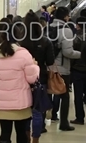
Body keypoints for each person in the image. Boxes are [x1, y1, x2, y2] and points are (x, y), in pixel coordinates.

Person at [0, 23, 39, 143]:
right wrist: (35, 66)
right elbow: (32, 79)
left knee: (5, 134)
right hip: (20, 102)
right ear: (18, 36)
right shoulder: (24, 54)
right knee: (21, 133)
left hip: (1, 102)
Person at [20, 12, 55, 142]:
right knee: (37, 111)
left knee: (25, 112)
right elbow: (50, 61)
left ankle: (26, 136)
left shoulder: (21, 42)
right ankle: (36, 139)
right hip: (41, 79)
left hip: (23, 79)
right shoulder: (45, 41)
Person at [50, 7, 81, 131]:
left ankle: (41, 124)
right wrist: (80, 54)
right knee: (64, 96)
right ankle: (63, 123)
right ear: (65, 17)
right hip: (61, 68)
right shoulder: (66, 31)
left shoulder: (46, 28)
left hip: (47, 67)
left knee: (46, 94)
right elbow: (68, 52)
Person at [70, 17, 86, 125]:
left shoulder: (75, 38)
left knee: (78, 95)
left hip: (77, 70)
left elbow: (72, 54)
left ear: (78, 25)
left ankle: (80, 118)